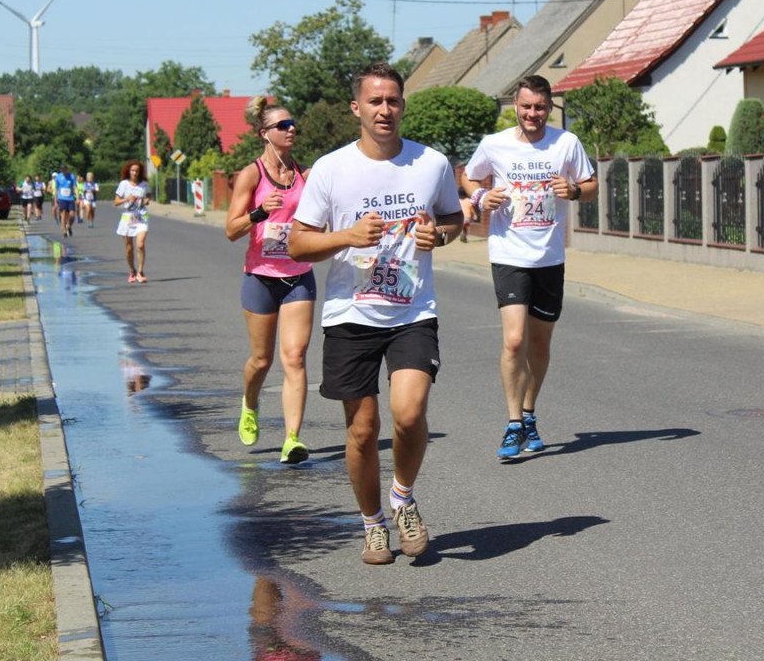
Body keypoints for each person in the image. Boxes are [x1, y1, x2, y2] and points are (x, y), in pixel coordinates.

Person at [289, 62, 463, 565]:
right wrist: (346, 236)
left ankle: (402, 498)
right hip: (350, 315)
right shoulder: (331, 168)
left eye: (393, 100)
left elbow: (453, 218)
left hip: (412, 310)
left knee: (409, 414)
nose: (385, 109)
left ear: (403, 105)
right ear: (357, 108)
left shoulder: (430, 162)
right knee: (363, 430)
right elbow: (298, 243)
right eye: (375, 101)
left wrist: (442, 235)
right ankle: (371, 524)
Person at [460, 74, 598, 461]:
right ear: (515, 108)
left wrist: (572, 190)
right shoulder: (495, 144)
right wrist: (481, 195)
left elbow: (591, 186)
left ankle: (529, 411)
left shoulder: (566, 143)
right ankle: (512, 423)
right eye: (526, 107)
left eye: (539, 107)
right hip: (509, 254)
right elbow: (469, 176)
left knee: (539, 344)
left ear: (549, 108)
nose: (532, 114)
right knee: (514, 340)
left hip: (549, 258)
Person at [226, 97, 316, 465]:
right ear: (265, 134)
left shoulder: (304, 175)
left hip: (298, 276)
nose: (292, 128)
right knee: (261, 361)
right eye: (283, 125)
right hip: (260, 277)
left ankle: (293, 438)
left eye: (293, 123)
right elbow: (231, 230)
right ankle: (249, 403)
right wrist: (260, 212)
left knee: (294, 358)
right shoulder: (251, 175)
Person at [113, 160, 152, 283]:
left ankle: (140, 271)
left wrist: (146, 200)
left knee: (140, 244)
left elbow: (149, 195)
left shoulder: (144, 184)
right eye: (132, 171)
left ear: (140, 172)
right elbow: (116, 202)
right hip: (128, 217)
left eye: (137, 171)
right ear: (129, 171)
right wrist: (126, 199)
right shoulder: (124, 184)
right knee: (129, 247)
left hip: (141, 216)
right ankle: (132, 270)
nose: (134, 173)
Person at [53, 165, 78, 237]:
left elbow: (75, 187)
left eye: (64, 169)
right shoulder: (58, 177)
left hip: (70, 198)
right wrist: (55, 199)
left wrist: (78, 196)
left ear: (67, 169)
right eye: (62, 170)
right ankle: (64, 230)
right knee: (63, 214)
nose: (63, 171)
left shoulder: (72, 176)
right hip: (62, 198)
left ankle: (69, 225)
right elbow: (56, 188)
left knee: (72, 214)